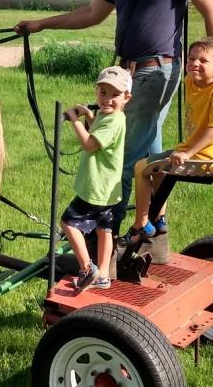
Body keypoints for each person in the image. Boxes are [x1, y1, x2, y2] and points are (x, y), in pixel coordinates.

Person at [15, 0, 213, 232]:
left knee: (124, 157)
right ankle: (154, 227)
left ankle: (107, 235)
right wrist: (40, 24)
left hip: (158, 71)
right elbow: (93, 13)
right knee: (149, 155)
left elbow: (210, 10)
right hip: (126, 75)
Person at [121, 37, 213, 244]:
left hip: (204, 155)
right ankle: (159, 217)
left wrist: (187, 153)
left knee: (140, 168)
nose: (194, 64)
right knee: (157, 168)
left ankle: (141, 223)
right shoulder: (191, 81)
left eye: (203, 60)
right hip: (192, 151)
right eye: (191, 58)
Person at [60, 66, 131, 291]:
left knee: (68, 223)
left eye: (115, 95)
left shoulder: (113, 121)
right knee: (104, 229)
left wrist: (75, 121)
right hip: (108, 189)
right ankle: (102, 275)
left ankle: (86, 268)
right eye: (103, 93)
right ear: (96, 91)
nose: (107, 99)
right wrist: (89, 115)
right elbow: (99, 132)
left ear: (126, 98)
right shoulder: (109, 116)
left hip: (96, 188)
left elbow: (90, 144)